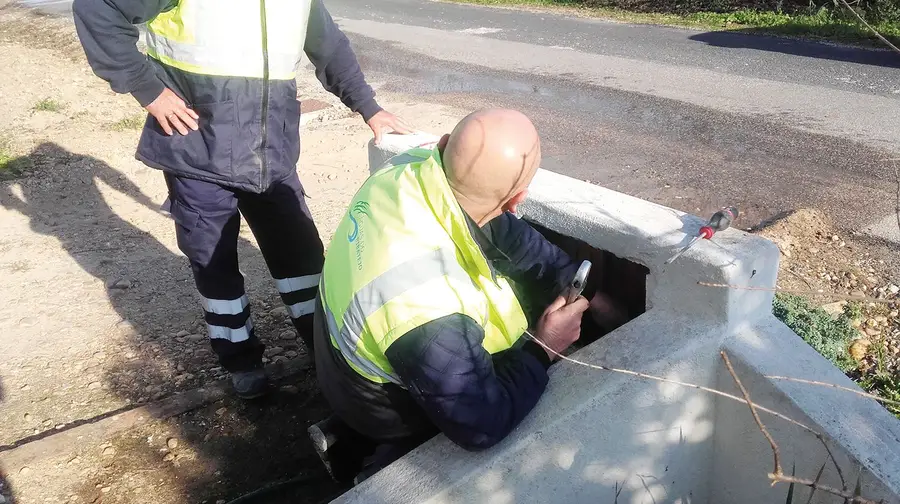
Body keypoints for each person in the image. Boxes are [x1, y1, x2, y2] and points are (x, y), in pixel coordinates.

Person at [72, 0, 411, 398]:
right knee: (214, 262)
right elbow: (99, 9)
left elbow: (329, 46)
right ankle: (241, 361)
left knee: (302, 259)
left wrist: (370, 108)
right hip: (199, 150)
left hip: (271, 151)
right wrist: (150, 91)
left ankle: (327, 352)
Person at [311, 108, 626, 482]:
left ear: (443, 145)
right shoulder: (427, 302)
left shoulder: (412, 170)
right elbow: (480, 425)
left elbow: (507, 236)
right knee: (478, 417)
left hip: (339, 353)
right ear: (517, 199)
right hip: (378, 403)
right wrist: (545, 347)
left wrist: (579, 284)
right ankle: (382, 459)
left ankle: (344, 437)